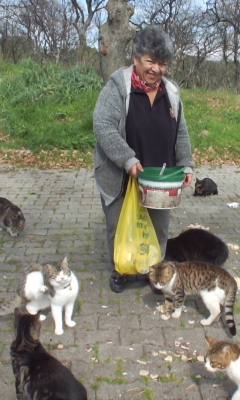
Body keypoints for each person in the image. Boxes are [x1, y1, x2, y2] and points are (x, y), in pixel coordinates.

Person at [93, 26, 195, 293]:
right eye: (150, 61)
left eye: (162, 63)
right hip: (121, 173)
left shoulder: (171, 92)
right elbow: (102, 125)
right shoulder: (118, 87)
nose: (156, 69)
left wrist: (186, 163)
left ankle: (156, 273)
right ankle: (120, 271)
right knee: (119, 227)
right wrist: (127, 159)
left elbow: (181, 132)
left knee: (158, 227)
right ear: (136, 57)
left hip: (160, 177)